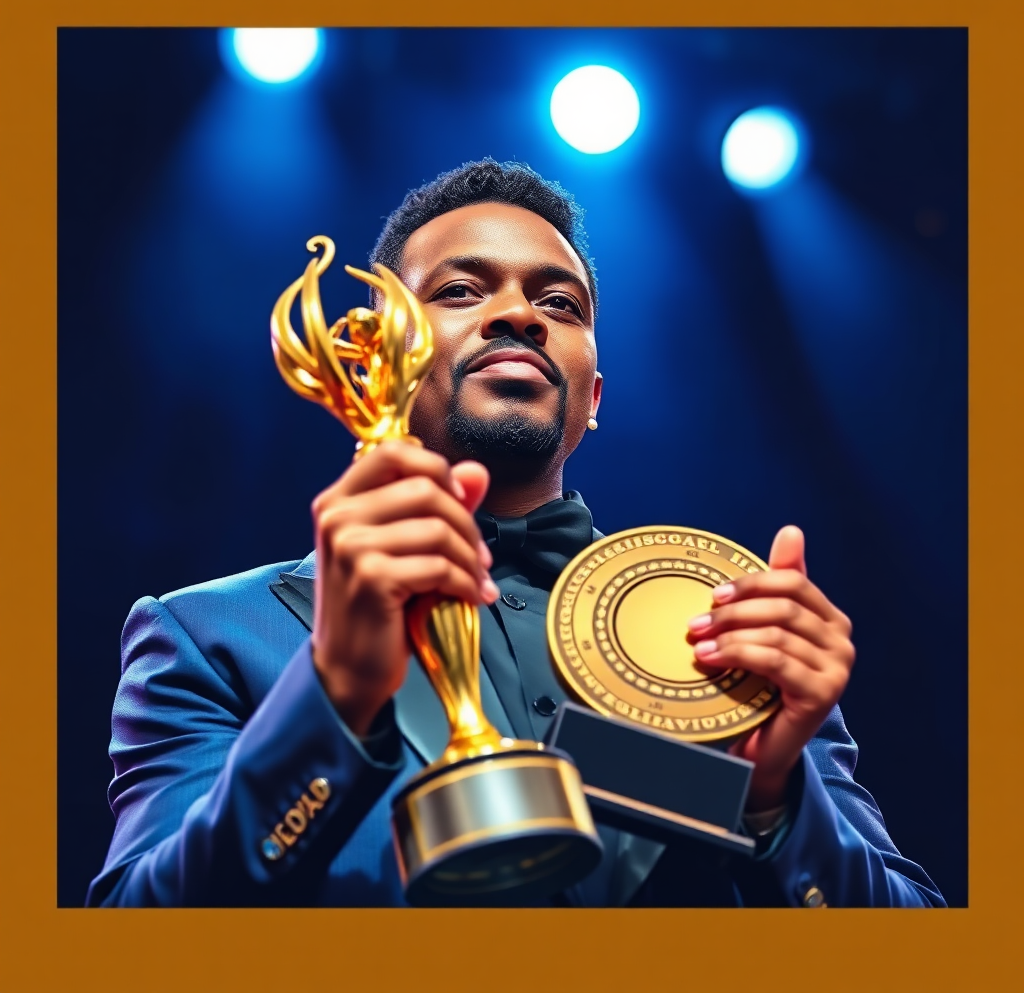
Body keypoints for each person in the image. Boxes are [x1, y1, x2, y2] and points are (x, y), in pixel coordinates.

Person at [87, 158, 944, 908]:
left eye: (559, 303)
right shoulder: (209, 637)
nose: (521, 315)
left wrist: (772, 800)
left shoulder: (728, 635)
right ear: (371, 353)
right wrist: (336, 695)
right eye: (461, 290)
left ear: (595, 398)